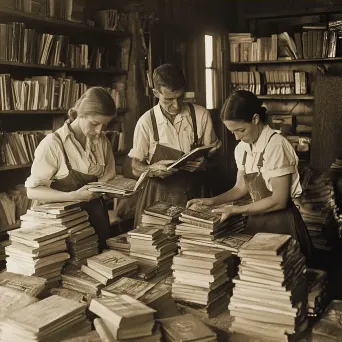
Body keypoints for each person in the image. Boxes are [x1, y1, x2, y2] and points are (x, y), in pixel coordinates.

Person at [187, 90, 312, 259]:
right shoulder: (242, 149)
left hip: (282, 223)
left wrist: (237, 209)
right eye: (233, 132)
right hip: (257, 220)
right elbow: (240, 188)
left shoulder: (276, 146)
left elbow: (279, 200)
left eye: (241, 130)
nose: (237, 137)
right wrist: (212, 201)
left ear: (255, 119)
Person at [127, 63, 221, 227]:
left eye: (180, 97)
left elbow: (213, 155)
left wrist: (206, 162)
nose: (176, 106)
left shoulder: (200, 115)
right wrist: (151, 169)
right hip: (158, 198)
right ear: (156, 93)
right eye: (169, 99)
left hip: (195, 193)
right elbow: (135, 166)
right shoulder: (146, 122)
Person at [25, 87, 117, 250]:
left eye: (104, 125)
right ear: (81, 113)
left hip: (95, 217)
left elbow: (108, 178)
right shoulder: (53, 144)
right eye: (95, 123)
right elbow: (33, 192)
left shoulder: (102, 142)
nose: (99, 131)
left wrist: (121, 191)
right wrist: (73, 195)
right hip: (64, 223)